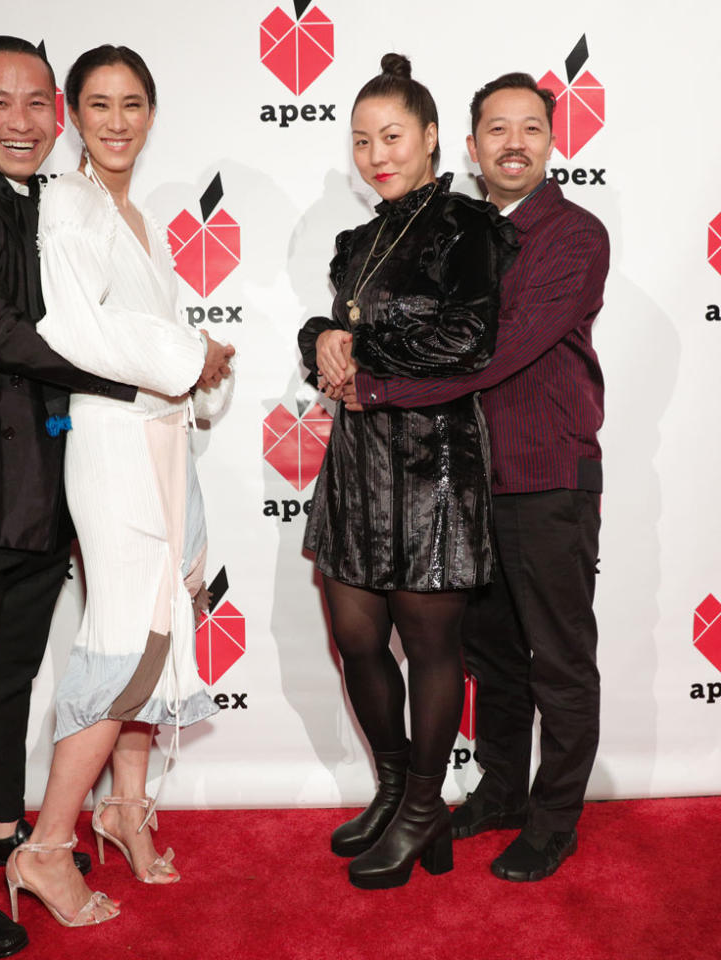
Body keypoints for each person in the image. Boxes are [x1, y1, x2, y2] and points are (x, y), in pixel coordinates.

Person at [0, 35, 228, 958]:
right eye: (0, 103)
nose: (21, 122)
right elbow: (1, 333)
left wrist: (168, 379)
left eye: (37, 106)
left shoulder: (51, 206)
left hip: (38, 483)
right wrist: (166, 376)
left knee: (9, 679)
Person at [342, 72, 609, 882]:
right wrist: (328, 329)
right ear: (469, 146)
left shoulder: (573, 235)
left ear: (553, 141)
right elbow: (379, 310)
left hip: (545, 472)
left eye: (531, 127)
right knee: (489, 657)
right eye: (497, 129)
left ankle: (556, 817)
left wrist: (376, 385)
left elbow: (493, 350)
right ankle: (502, 788)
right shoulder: (461, 235)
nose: (514, 142)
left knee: (558, 658)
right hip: (462, 483)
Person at [1, 44, 234, 927]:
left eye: (133, 103)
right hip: (111, 444)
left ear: (151, 112)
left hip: (162, 441)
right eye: (98, 104)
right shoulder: (65, 200)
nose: (117, 121)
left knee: (162, 631)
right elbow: (74, 328)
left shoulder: (133, 212)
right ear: (71, 114)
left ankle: (125, 811)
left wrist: (202, 366)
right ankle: (46, 848)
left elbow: (152, 341)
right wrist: (190, 355)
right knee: (126, 642)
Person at [298, 53, 516, 890]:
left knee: (430, 645)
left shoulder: (468, 226)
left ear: (430, 138)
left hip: (434, 463)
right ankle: (394, 787)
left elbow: (469, 339)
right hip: (357, 460)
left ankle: (427, 805)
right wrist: (318, 332)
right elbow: (340, 329)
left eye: (392, 136)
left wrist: (363, 349)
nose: (376, 154)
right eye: (360, 141)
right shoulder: (357, 239)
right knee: (356, 636)